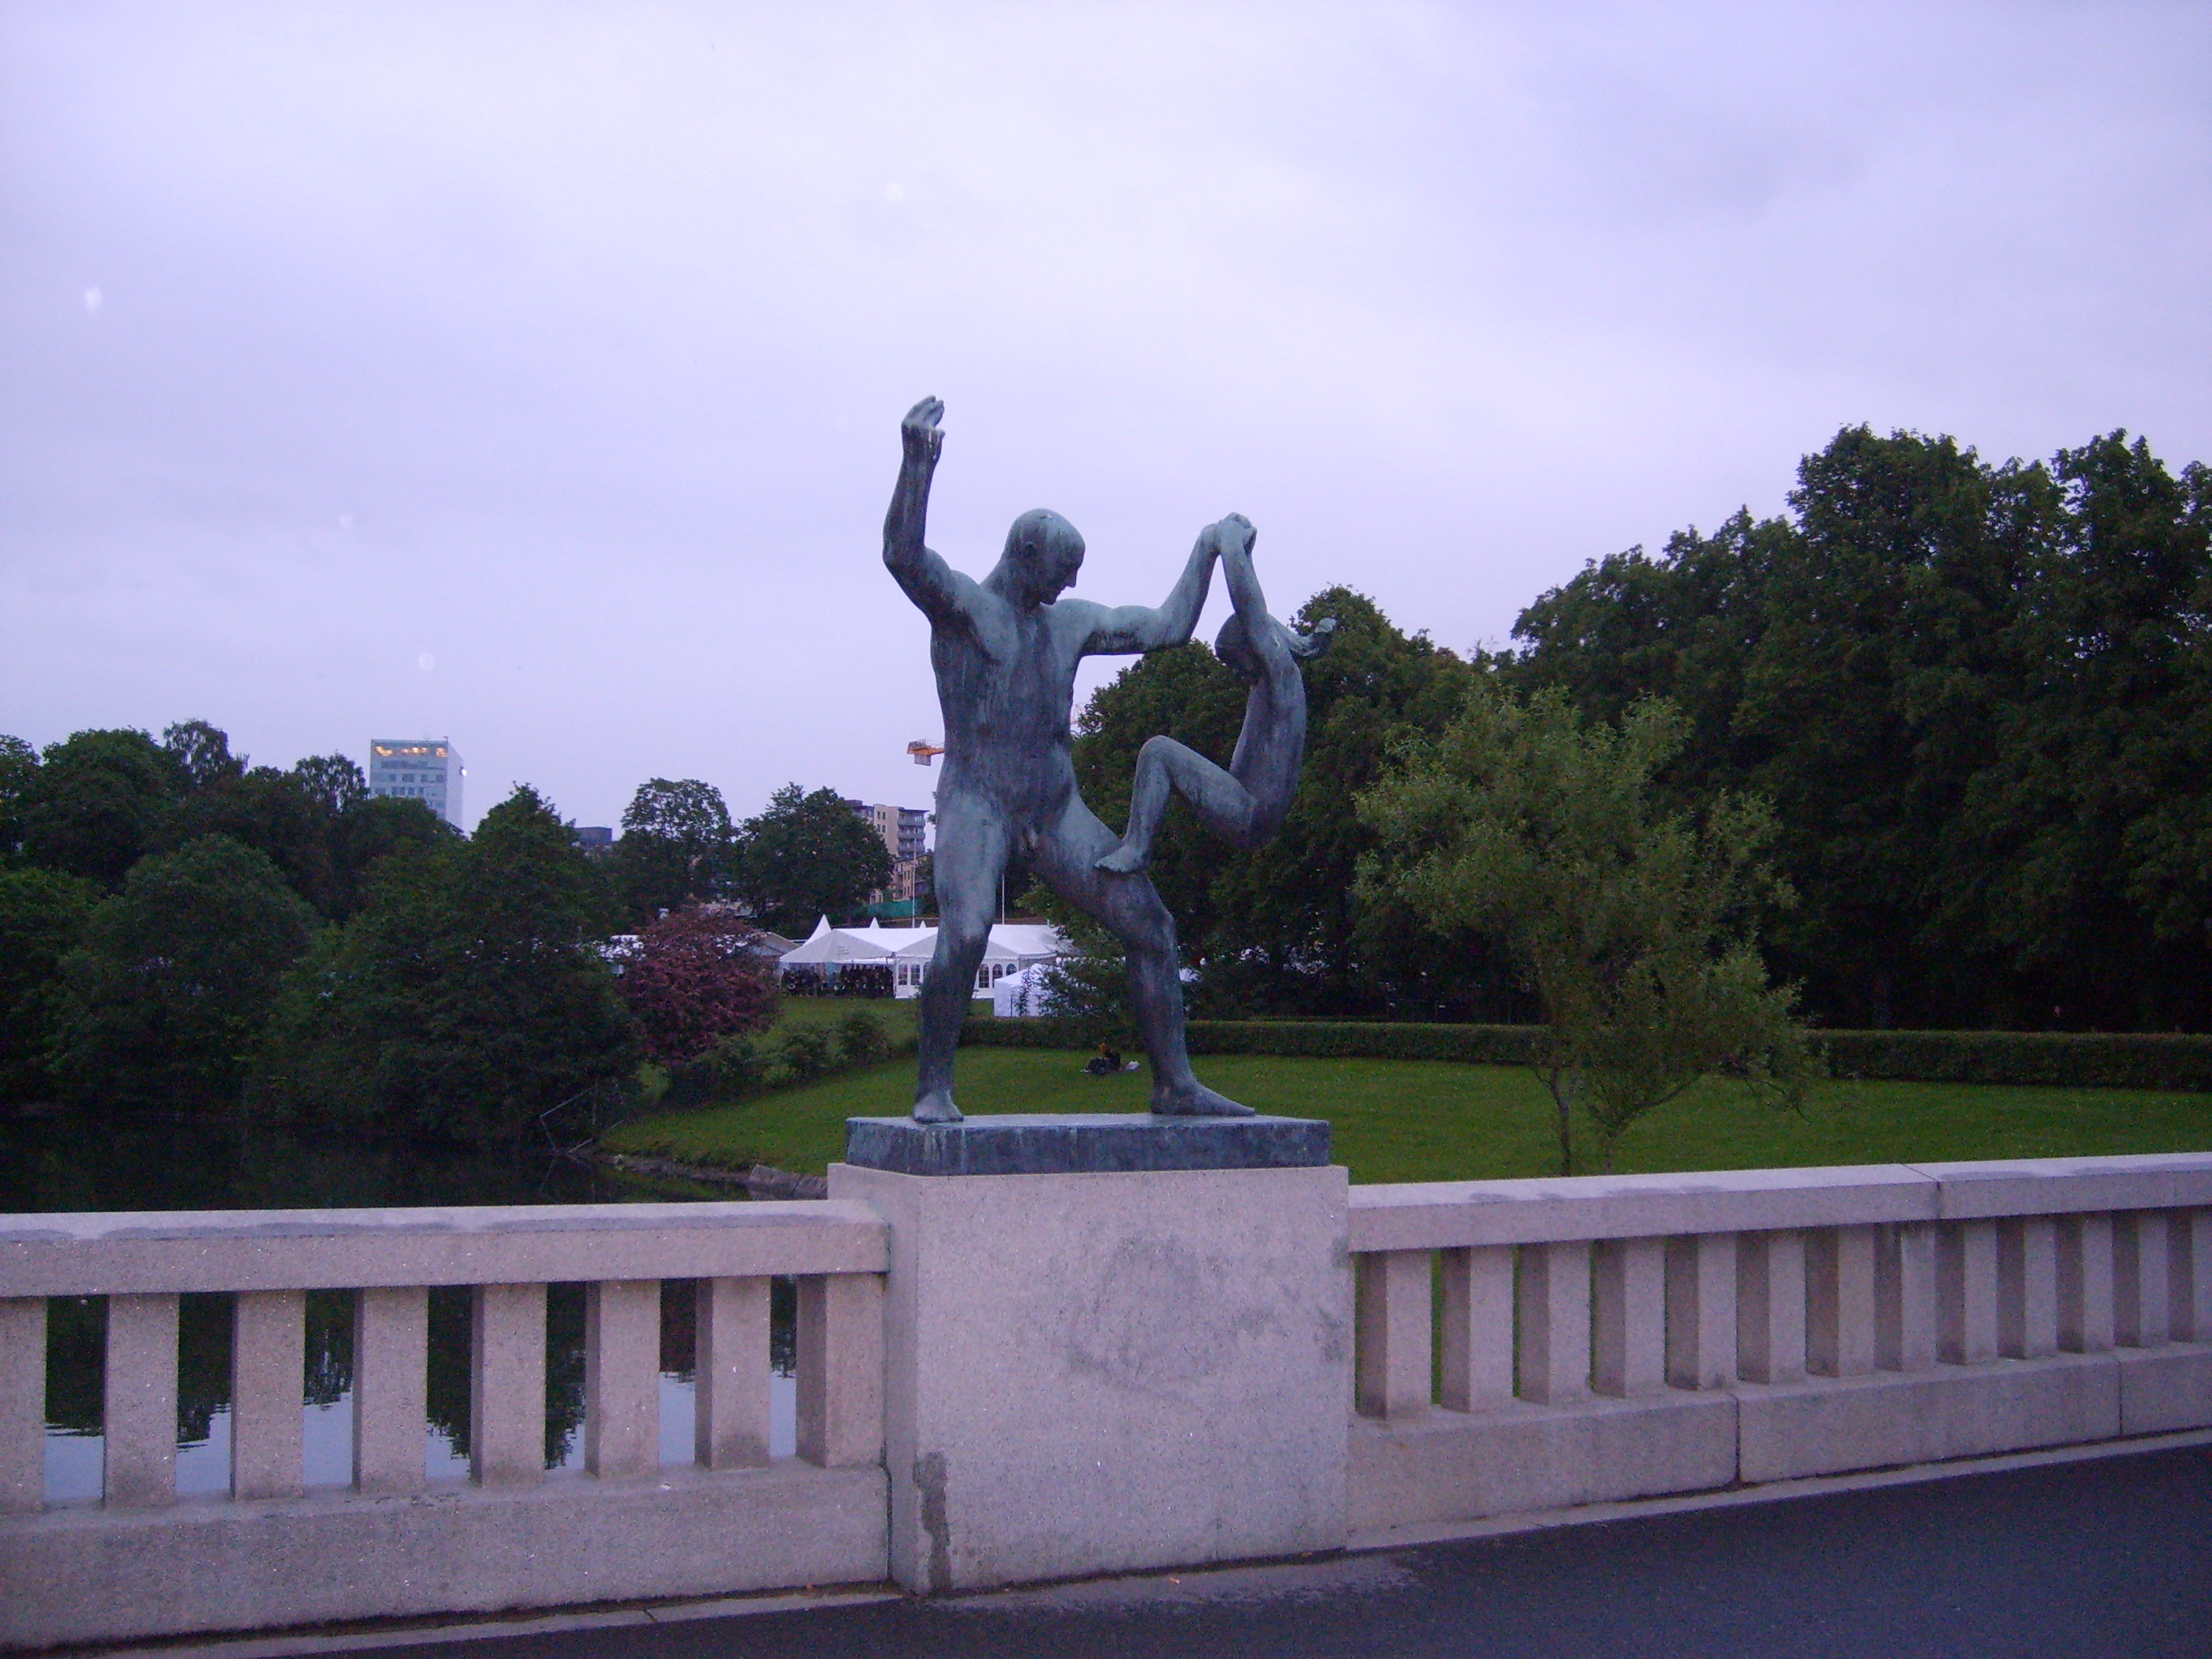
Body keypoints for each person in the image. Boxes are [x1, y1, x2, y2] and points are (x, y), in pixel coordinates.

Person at [883, 397, 1251, 1122]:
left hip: (1055, 809)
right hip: (977, 802)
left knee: (1154, 929)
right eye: (1063, 569)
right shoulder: (964, 611)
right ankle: (933, 1090)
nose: (1072, 585)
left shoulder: (1069, 626)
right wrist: (916, 468)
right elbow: (903, 556)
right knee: (964, 935)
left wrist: (1208, 548)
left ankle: (1175, 1085)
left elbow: (1170, 626)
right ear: (1025, 557)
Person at [1097, 516, 1333, 875]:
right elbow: (1261, 620)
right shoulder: (1269, 683)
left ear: (1255, 649)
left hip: (1250, 811)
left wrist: (1231, 546)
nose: (1235, 673)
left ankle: (1137, 847)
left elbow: (1252, 611)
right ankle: (1138, 843)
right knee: (1164, 760)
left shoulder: (1281, 679)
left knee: (1157, 751)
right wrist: (1246, 556)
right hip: (1244, 801)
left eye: (1234, 663)